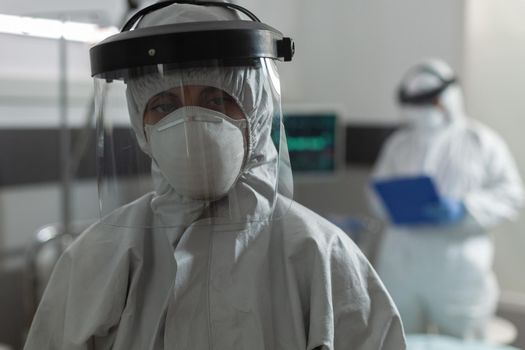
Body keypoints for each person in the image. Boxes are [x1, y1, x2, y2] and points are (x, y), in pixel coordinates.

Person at [24, 1, 405, 349]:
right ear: (141, 124)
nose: (191, 125)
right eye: (164, 105)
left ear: (256, 109)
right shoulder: (99, 257)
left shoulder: (321, 256)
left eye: (217, 100)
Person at [371, 58, 524, 339]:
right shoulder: (399, 144)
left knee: (464, 341)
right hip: (402, 264)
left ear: (448, 98)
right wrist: (393, 204)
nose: (423, 111)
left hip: (458, 272)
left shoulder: (481, 141)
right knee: (397, 338)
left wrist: (465, 208)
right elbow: (375, 192)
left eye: (429, 102)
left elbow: (511, 195)